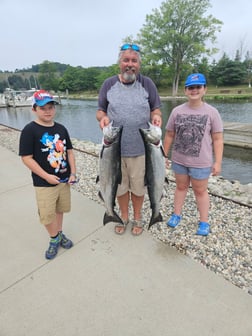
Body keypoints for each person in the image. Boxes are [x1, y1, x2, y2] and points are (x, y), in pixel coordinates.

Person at [96, 43, 162, 236]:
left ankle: (138, 217)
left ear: (139, 65)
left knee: (139, 188)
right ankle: (123, 216)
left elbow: (155, 109)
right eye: (126, 60)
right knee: (121, 187)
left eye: (134, 61)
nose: (130, 64)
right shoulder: (108, 84)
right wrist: (103, 118)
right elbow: (100, 111)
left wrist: (156, 116)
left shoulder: (147, 83)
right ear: (119, 63)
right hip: (113, 151)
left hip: (142, 150)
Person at [19, 89, 77, 259]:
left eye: (51, 107)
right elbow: (26, 158)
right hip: (44, 183)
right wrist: (46, 176)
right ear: (34, 109)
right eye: (43, 108)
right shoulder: (30, 130)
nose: (48, 111)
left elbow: (70, 152)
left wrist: (73, 173)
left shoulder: (61, 128)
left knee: (60, 209)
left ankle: (59, 233)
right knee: (46, 214)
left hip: (64, 180)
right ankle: (54, 239)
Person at [163, 73, 223, 236]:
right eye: (191, 87)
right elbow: (169, 135)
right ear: (185, 90)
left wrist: (217, 162)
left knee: (200, 191)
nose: (194, 90)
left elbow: (217, 139)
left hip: (202, 162)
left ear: (205, 89)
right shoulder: (176, 111)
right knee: (180, 187)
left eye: (198, 87)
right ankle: (176, 214)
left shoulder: (212, 112)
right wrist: (164, 155)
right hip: (179, 160)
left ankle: (204, 221)